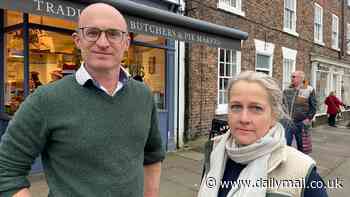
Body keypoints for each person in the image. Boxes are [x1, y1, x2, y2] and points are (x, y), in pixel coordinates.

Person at [0, 3, 165, 197]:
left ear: (126, 43)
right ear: (78, 40)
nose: (103, 42)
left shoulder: (143, 95)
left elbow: (152, 155)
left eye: (113, 34)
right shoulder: (45, 100)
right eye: (92, 33)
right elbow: (6, 171)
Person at [198, 71, 327, 197]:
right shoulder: (214, 152)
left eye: (256, 108)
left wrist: (308, 119)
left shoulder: (303, 172)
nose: (244, 119)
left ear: (274, 116)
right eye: (236, 107)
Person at [283, 71, 317, 153]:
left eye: (294, 77)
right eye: (291, 76)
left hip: (301, 123)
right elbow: (282, 104)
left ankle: (303, 164)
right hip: (288, 122)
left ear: (301, 78)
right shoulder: (287, 90)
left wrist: (308, 119)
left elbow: (313, 106)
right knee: (285, 145)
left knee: (303, 147)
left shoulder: (309, 89)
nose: (292, 79)